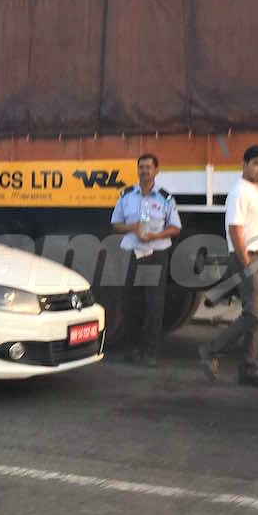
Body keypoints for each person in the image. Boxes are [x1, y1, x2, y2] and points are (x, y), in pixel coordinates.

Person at [199, 145, 258, 387]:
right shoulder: (239, 191)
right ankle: (211, 350)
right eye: (256, 164)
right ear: (244, 165)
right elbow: (235, 230)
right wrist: (245, 264)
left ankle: (250, 369)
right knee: (252, 314)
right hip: (247, 259)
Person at [111, 153, 182, 367]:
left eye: (149, 167)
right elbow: (115, 224)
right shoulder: (126, 195)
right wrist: (132, 227)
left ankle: (150, 352)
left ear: (156, 171)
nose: (144, 171)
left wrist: (155, 236)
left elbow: (176, 227)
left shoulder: (165, 198)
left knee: (153, 303)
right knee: (131, 302)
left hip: (155, 255)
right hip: (133, 253)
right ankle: (134, 348)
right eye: (141, 167)